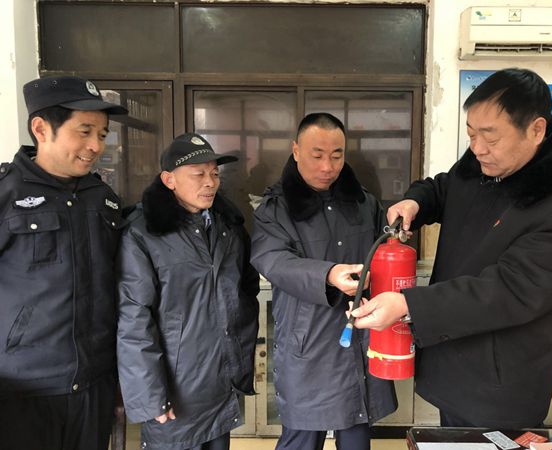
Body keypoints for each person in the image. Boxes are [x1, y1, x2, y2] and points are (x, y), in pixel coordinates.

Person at [352, 68, 552, 428]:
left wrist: (408, 305)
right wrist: (416, 201)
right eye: (471, 134)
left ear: (536, 130)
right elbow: (445, 187)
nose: (478, 148)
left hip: (498, 386)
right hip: (451, 362)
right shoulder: (483, 164)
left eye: (490, 137)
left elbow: (509, 290)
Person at [251, 113, 397, 450]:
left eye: (336, 155)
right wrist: (328, 274)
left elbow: (383, 252)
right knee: (302, 436)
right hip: (309, 341)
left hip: (360, 336)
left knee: (357, 431)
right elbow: (273, 260)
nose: (328, 167)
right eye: (317, 155)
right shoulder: (276, 208)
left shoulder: (363, 202)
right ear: (296, 151)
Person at [0, 76, 128, 449]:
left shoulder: (103, 198)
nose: (96, 146)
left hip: (93, 384)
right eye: (84, 131)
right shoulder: (8, 195)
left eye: (102, 134)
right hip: (23, 389)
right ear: (41, 129)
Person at [116, 133, 260, 450]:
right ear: (169, 180)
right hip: (175, 391)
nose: (210, 183)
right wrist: (150, 395)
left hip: (221, 382)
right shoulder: (143, 233)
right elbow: (134, 320)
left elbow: (245, 290)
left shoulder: (228, 226)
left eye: (214, 173)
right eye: (198, 174)